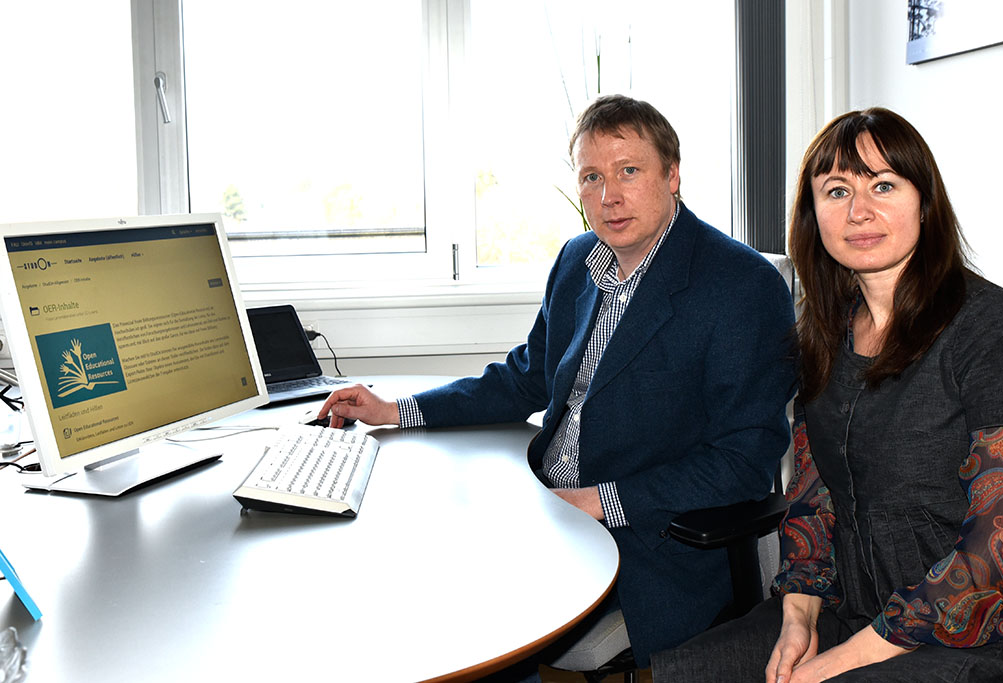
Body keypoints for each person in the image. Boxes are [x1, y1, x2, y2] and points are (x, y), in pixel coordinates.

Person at [318, 94, 797, 668]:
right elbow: (527, 376)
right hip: (547, 495)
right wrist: (396, 410)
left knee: (478, 610)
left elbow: (744, 461)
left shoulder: (741, 286)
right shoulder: (579, 258)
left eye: (629, 172)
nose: (608, 196)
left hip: (647, 538)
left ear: (672, 176)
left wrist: (602, 502)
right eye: (591, 177)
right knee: (409, 551)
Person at [650, 107, 1003, 682]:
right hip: (852, 606)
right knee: (693, 670)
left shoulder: (996, 330)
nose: (859, 211)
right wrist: (799, 617)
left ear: (925, 202)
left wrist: (833, 666)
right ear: (813, 214)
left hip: (972, 632)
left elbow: (1001, 550)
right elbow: (813, 492)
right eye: (836, 190)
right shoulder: (824, 334)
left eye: (883, 185)